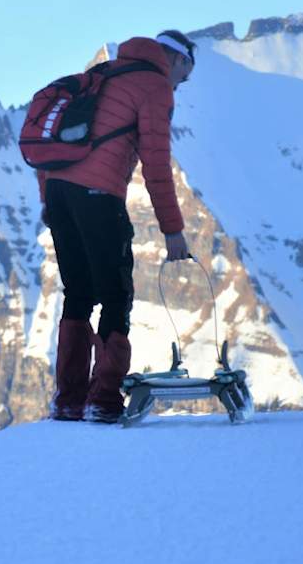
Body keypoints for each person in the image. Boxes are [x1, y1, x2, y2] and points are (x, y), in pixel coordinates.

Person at [38, 30, 195, 423]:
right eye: (186, 74)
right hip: (98, 196)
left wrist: (49, 201)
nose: (182, 84)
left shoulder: (102, 74)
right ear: (177, 60)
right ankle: (103, 399)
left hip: (59, 191)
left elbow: (53, 144)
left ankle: (69, 400)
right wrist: (172, 230)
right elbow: (156, 164)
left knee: (77, 293)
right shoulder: (154, 86)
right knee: (115, 294)